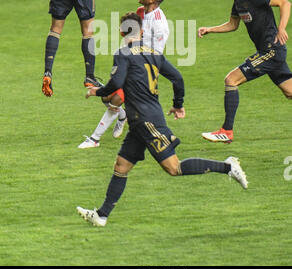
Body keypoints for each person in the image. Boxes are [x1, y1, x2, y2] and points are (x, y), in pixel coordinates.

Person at [76, 12, 248, 227]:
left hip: (147, 121)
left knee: (173, 168)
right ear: (142, 31)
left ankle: (228, 167)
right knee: (121, 166)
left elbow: (116, 82)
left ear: (122, 32)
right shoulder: (154, 53)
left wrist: (97, 91)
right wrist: (178, 103)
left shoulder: (123, 54)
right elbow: (177, 78)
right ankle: (101, 216)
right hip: (140, 122)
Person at [198, 0, 292, 144]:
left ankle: (227, 131)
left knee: (231, 80)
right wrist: (210, 29)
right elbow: (233, 25)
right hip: (270, 52)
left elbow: (285, 3)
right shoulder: (238, 0)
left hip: (271, 51)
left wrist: (282, 28)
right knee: (290, 91)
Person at [78, 0, 171, 148]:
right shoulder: (142, 12)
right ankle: (122, 116)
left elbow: (155, 54)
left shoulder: (159, 25)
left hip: (144, 67)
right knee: (107, 97)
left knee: (117, 98)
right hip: (131, 60)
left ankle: (94, 139)